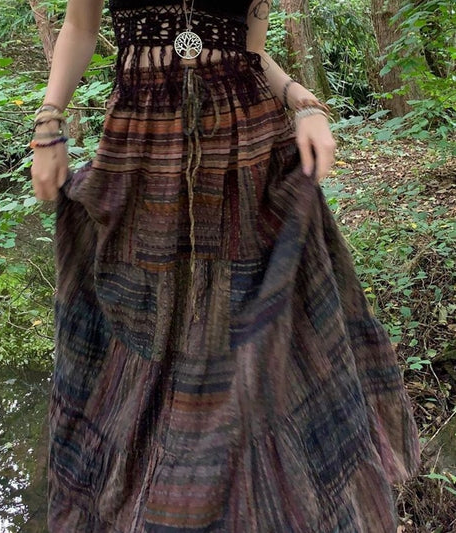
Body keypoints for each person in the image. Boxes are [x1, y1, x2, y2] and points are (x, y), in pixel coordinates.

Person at [31, 0, 420, 531]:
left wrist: (304, 103)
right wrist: (48, 121)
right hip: (144, 150)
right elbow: (79, 27)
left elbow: (251, 53)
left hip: (249, 152)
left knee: (254, 345)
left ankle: (267, 505)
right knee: (146, 336)